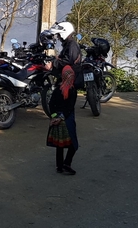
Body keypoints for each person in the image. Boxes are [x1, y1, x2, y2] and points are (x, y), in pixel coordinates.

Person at [44, 21, 80, 175]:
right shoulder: (70, 91)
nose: (58, 37)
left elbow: (67, 62)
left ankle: (60, 166)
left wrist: (54, 116)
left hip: (57, 116)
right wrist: (62, 117)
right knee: (73, 142)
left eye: (59, 34)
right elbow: (70, 107)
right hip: (65, 116)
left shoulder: (72, 46)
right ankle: (66, 164)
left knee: (59, 143)